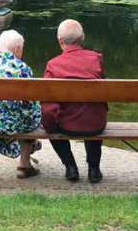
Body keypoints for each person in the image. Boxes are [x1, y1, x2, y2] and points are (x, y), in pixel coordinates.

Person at [42, 19, 107, 183]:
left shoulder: (53, 65)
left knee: (51, 123)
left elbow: (48, 109)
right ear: (83, 37)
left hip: (67, 126)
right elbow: (103, 94)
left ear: (60, 41)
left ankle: (70, 166)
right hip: (96, 126)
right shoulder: (96, 59)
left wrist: (49, 128)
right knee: (92, 111)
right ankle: (94, 169)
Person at [0, 30, 42, 178]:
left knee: (12, 113)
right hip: (15, 124)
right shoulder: (22, 68)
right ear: (17, 49)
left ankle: (23, 148)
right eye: (22, 48)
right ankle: (24, 164)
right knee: (30, 114)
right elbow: (30, 104)